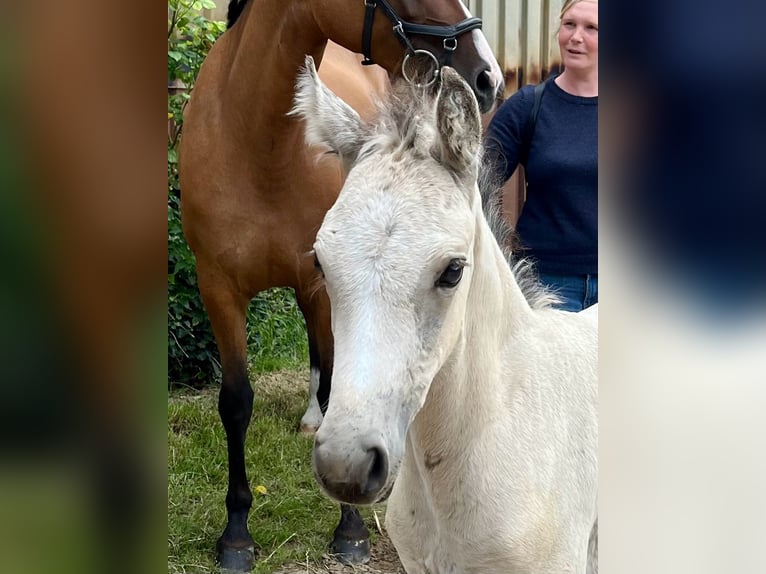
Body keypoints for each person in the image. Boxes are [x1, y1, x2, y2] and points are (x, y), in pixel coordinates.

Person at [483, 0, 598, 312]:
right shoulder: (527, 107)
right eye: (569, 24)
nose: (576, 36)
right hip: (547, 284)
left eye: (592, 28)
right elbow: (475, 180)